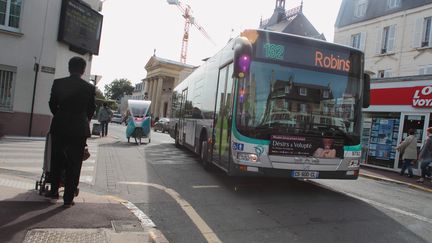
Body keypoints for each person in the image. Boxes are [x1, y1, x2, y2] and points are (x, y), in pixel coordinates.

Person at [47, 56, 95, 207]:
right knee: (74, 163)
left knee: (56, 159)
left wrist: (60, 115)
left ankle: (54, 191)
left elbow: (52, 104)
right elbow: (91, 109)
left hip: (60, 126)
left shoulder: (58, 83)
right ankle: (68, 198)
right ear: (83, 70)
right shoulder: (89, 88)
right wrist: (82, 119)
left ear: (69, 68)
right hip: (78, 129)